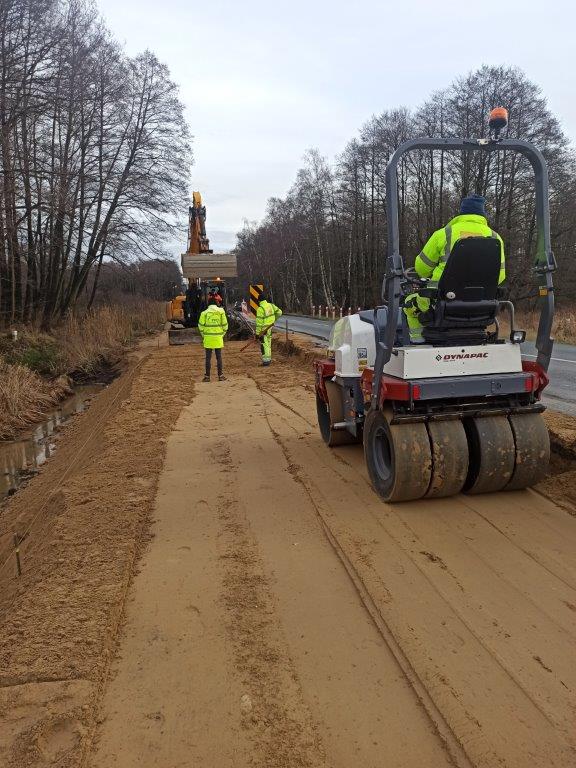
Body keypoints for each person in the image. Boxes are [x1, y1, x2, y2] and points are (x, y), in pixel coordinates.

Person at [404, 194, 506, 343]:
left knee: (409, 304)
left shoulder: (444, 234)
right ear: (482, 214)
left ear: (461, 213)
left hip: (442, 303)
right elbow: (500, 276)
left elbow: (421, 269)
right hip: (481, 308)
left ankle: (419, 344)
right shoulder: (495, 237)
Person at [198, 295, 228, 381]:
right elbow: (225, 326)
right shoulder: (221, 312)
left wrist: (204, 335)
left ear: (208, 304)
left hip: (208, 338)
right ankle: (220, 376)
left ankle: (207, 377)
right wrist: (221, 334)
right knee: (219, 357)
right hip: (218, 338)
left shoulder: (204, 313)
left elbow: (200, 326)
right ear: (216, 303)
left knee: (208, 357)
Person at [256, 294, 283, 366]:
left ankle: (266, 361)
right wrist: (274, 319)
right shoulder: (271, 305)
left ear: (259, 301)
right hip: (270, 328)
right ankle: (269, 359)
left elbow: (259, 323)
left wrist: (257, 333)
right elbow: (280, 312)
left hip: (263, 330)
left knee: (265, 345)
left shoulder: (260, 309)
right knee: (268, 343)